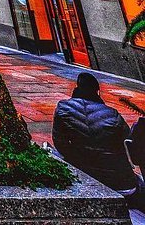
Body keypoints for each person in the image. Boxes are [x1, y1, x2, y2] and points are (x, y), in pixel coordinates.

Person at [53, 72, 144, 210]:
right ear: (97, 92)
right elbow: (129, 146)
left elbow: (60, 144)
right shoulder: (112, 114)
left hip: (85, 175)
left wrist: (79, 159)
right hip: (121, 182)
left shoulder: (63, 108)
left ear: (76, 88)